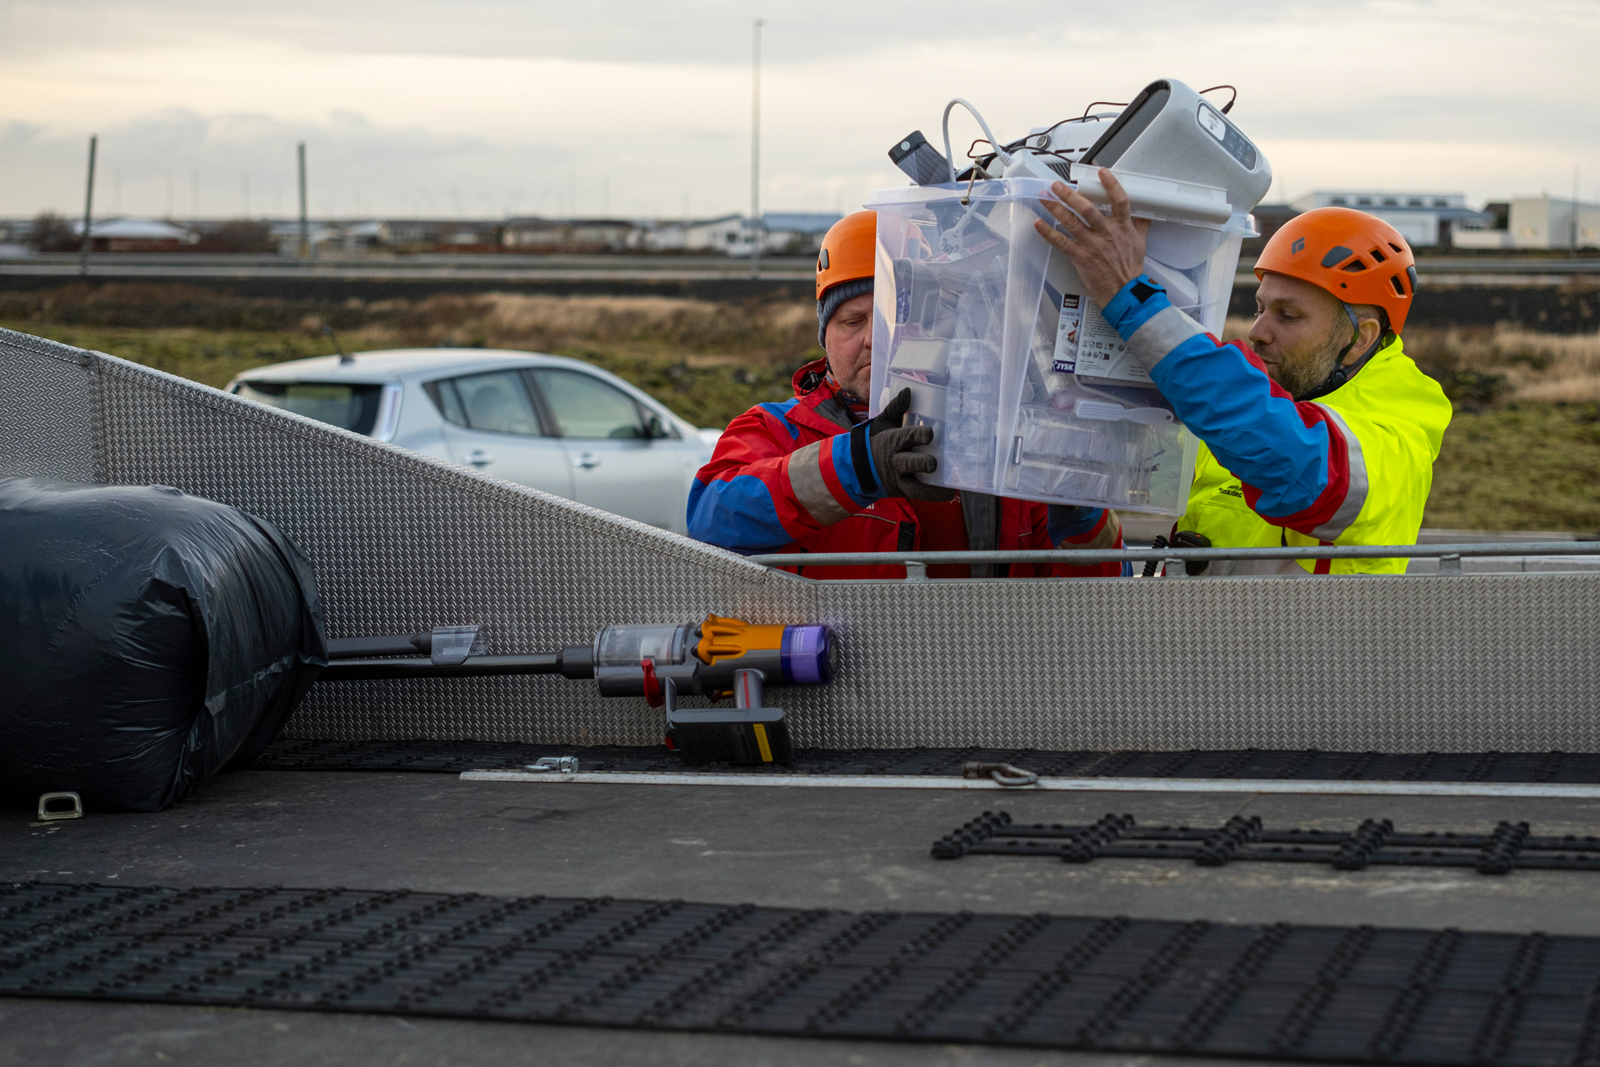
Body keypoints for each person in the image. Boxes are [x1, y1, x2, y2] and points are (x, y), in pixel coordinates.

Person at [1035, 173, 1452, 575]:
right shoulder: (1277, 401)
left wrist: (1134, 300)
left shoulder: (1399, 423)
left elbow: (1295, 464)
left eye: (1288, 315)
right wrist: (1083, 508)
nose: (1257, 333)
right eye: (1260, 308)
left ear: (1361, 338)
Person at [686, 210, 1123, 579]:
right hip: (841, 678)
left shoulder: (1004, 436)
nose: (874, 338)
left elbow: (1097, 592)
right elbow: (709, 520)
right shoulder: (776, 431)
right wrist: (859, 465)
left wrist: (1083, 516)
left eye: (893, 316)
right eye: (852, 322)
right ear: (825, 338)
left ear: (932, 325)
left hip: (987, 676)